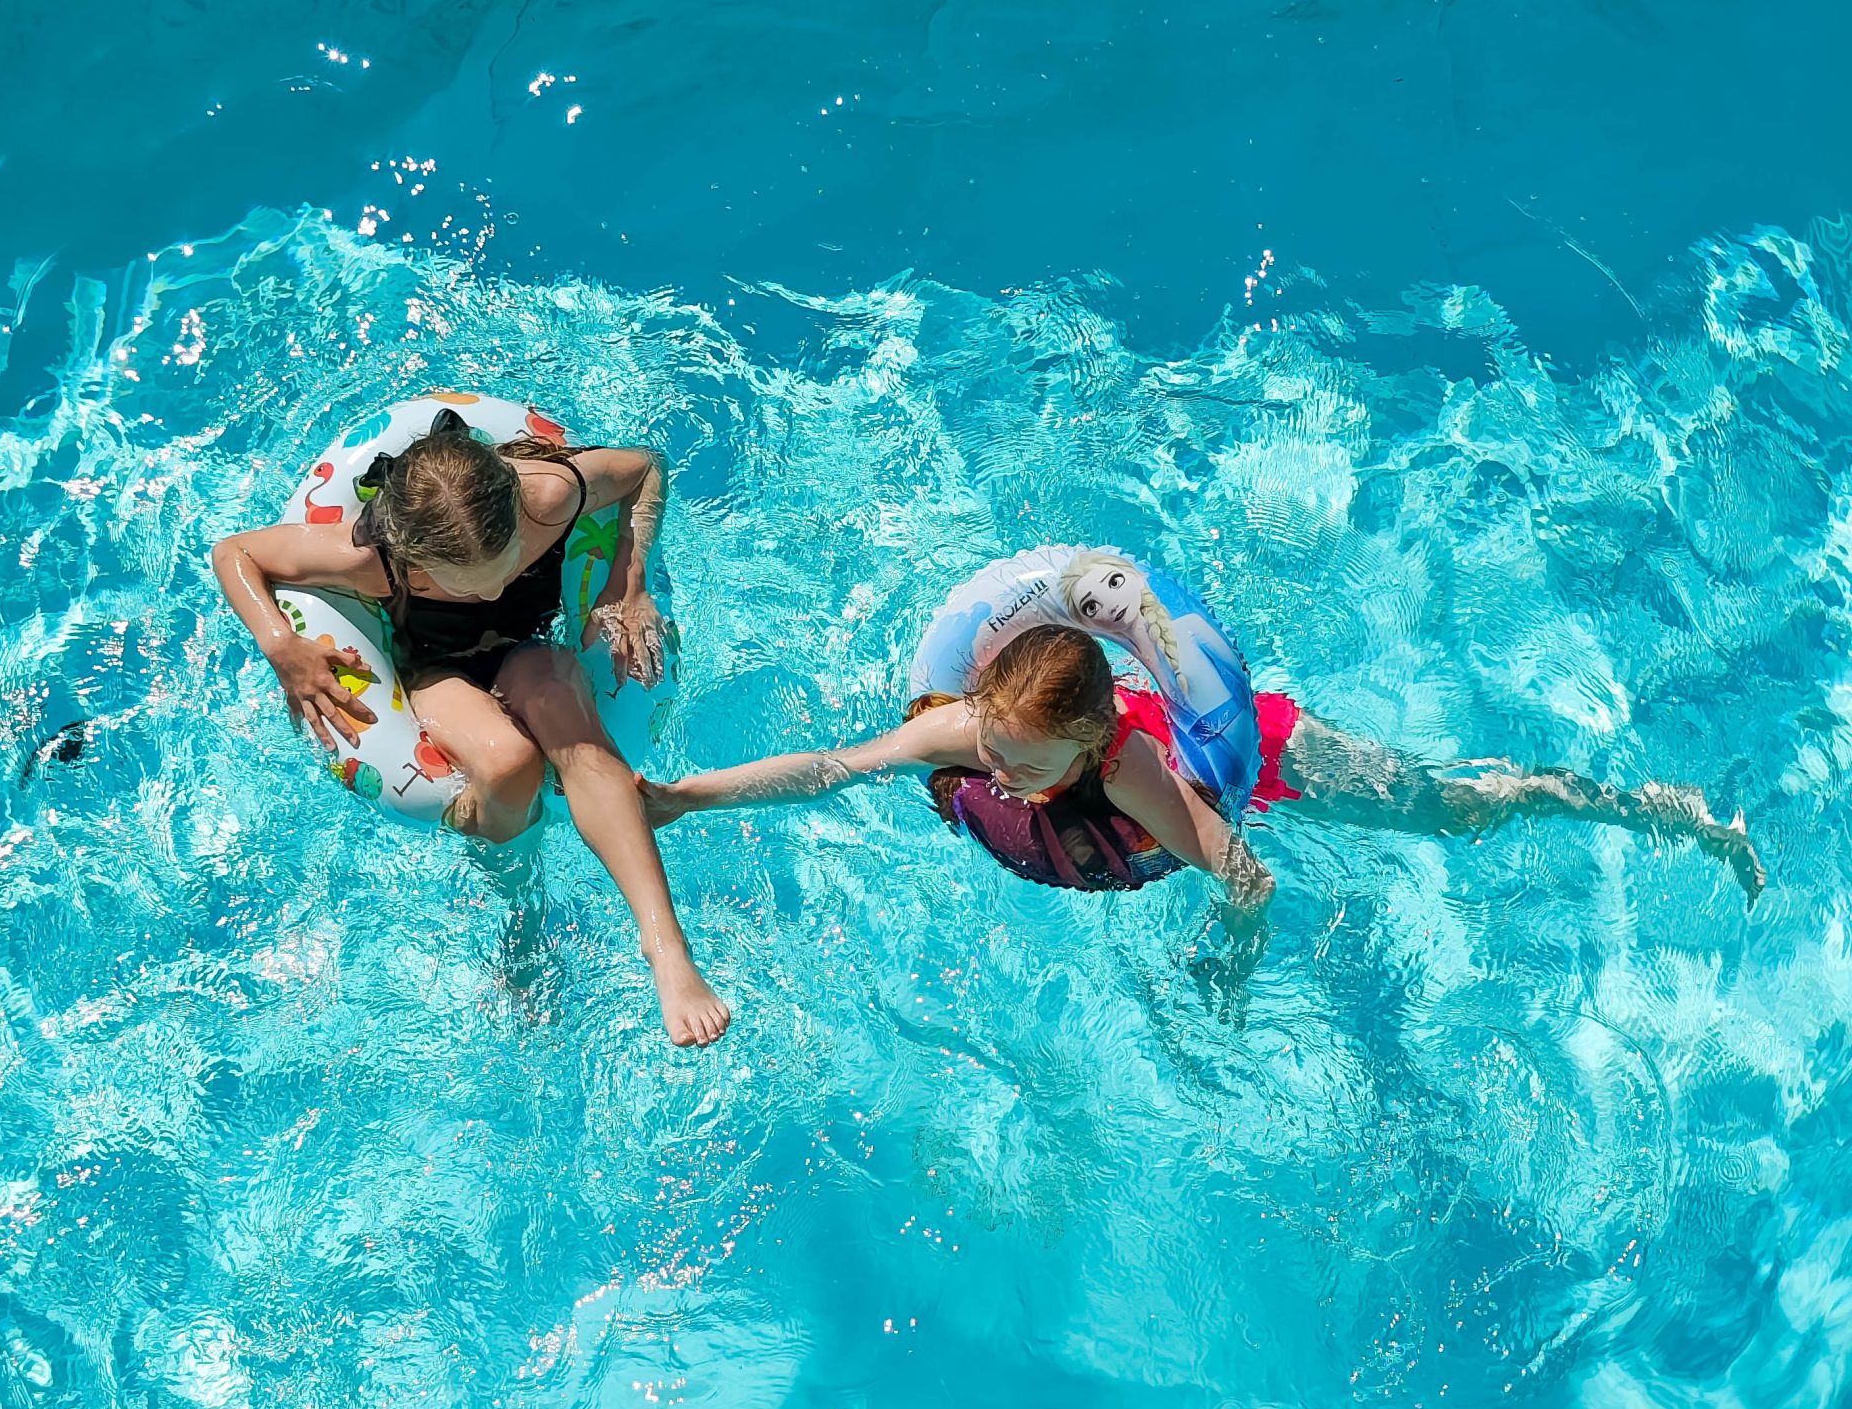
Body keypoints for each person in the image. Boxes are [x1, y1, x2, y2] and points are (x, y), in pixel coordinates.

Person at [212, 406, 730, 1047]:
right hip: (436, 669)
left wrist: (629, 581)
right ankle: (524, 913)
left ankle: (665, 947)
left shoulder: (550, 495)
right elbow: (235, 552)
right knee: (507, 762)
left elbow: (646, 468)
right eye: (467, 586)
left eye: (506, 568)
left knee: (565, 708)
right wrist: (281, 646)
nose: (490, 593)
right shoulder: (374, 559)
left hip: (529, 650)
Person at [641, 622, 1765, 913]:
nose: (998, 775)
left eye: (1021, 765)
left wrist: (1227, 963)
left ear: (1088, 745)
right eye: (992, 752)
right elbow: (832, 767)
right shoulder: (978, 730)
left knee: (1459, 812)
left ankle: (1655, 810)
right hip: (1152, 750)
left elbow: (1247, 877)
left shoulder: (1128, 768)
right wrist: (683, 797)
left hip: (1270, 757)